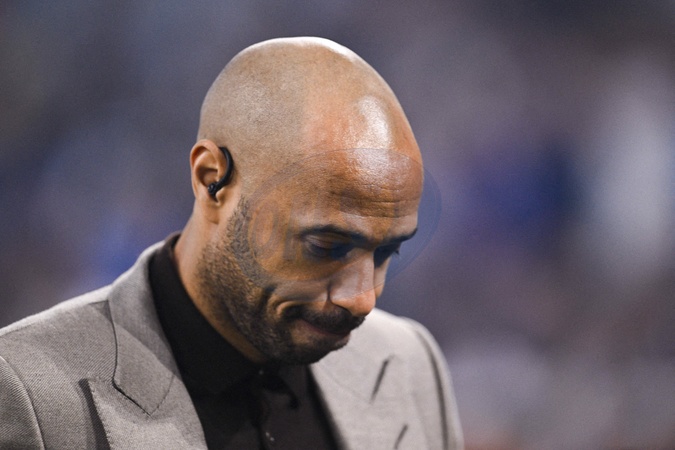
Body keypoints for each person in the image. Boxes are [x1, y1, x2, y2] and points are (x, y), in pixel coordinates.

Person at [0, 37, 462, 449]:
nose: (362, 299)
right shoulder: (26, 393)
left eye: (386, 252)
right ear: (212, 180)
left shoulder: (410, 365)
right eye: (326, 247)